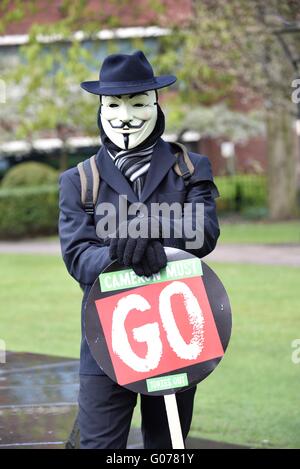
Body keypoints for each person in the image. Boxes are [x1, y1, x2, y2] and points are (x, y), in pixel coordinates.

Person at [58, 50, 220, 449]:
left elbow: (204, 234)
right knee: (99, 445)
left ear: (155, 103)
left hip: (179, 331)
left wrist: (148, 228)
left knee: (167, 447)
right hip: (104, 340)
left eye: (137, 103)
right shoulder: (78, 180)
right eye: (113, 104)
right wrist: (123, 249)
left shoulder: (190, 167)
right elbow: (79, 258)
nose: (125, 116)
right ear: (100, 108)